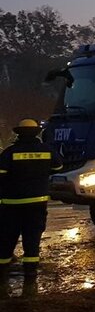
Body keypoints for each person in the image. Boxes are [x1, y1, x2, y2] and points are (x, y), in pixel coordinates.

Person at [0, 119, 63, 285]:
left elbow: (1, 173)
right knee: (32, 237)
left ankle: (2, 271)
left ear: (18, 133)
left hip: (11, 203)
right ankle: (30, 273)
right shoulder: (47, 150)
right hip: (37, 202)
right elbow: (58, 167)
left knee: (7, 237)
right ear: (37, 133)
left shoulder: (10, 152)